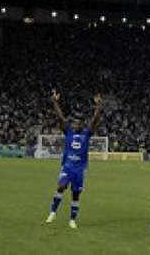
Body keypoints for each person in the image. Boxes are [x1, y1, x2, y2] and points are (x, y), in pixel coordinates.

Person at [45, 91, 103, 229]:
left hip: (79, 169)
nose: (75, 124)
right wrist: (54, 102)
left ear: (82, 124)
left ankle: (72, 219)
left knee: (75, 194)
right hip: (67, 166)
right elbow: (60, 117)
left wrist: (99, 106)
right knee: (61, 186)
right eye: (74, 123)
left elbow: (95, 120)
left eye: (77, 123)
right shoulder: (68, 131)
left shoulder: (86, 133)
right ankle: (53, 212)